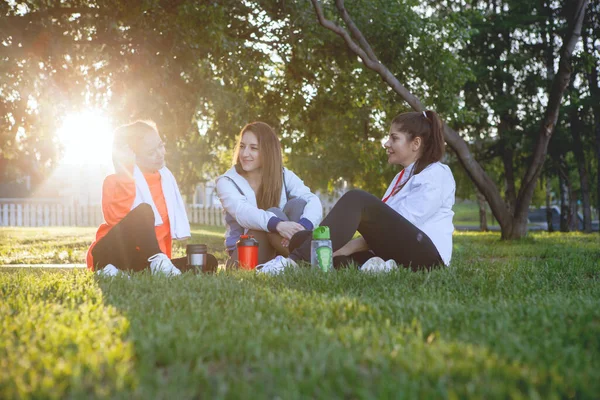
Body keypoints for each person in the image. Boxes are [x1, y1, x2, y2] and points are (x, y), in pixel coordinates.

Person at [256, 110, 455, 274]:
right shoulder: (402, 178)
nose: (386, 144)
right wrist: (339, 248)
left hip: (428, 257)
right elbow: (388, 230)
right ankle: (378, 268)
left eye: (394, 138)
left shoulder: (436, 174)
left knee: (356, 199)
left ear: (416, 143)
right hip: (400, 252)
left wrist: (347, 247)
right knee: (305, 239)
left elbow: (400, 226)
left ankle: (292, 263)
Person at [86, 120, 218, 276]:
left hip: (142, 261)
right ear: (134, 157)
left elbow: (161, 234)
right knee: (144, 212)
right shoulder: (114, 181)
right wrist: (125, 175)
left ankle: (150, 267)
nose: (160, 154)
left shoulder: (166, 181)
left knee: (207, 261)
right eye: (151, 152)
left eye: (160, 146)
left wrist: (164, 259)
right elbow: (115, 219)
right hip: (108, 254)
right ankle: (109, 268)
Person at [216, 121, 323, 267]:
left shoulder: (284, 175)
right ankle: (308, 261)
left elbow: (312, 200)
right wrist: (278, 225)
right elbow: (243, 212)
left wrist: (303, 227)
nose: (245, 153)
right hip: (247, 251)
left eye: (253, 148)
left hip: (281, 246)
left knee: (299, 205)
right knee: (274, 213)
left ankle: (295, 260)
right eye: (242, 146)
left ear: (268, 151)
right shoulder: (226, 181)